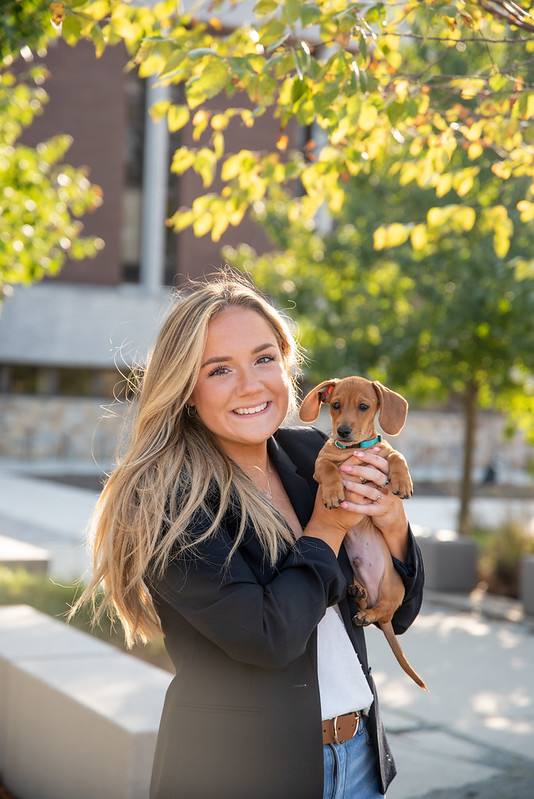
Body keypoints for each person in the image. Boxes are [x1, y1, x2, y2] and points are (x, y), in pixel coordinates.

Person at [79, 270, 424, 799]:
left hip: (358, 761)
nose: (250, 384)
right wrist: (327, 528)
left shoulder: (311, 455)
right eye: (219, 369)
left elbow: (398, 610)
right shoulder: (166, 502)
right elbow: (268, 637)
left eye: (264, 358)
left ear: (286, 367)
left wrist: (395, 527)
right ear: (185, 389)